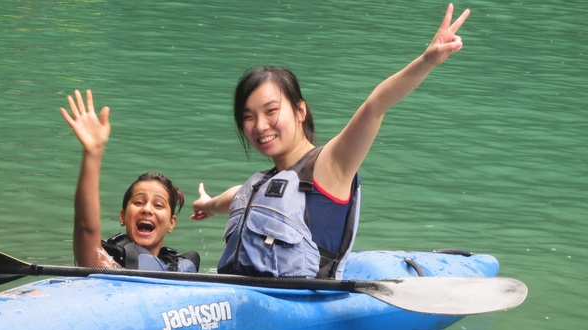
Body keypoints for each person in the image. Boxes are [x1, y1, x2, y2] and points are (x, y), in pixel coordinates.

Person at [192, 4, 470, 279]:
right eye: (249, 116)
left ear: (300, 110)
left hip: (303, 303)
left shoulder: (330, 164)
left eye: (271, 111)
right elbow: (233, 198)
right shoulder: (261, 185)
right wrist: (207, 205)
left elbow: (375, 106)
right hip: (244, 295)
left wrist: (427, 61)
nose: (260, 125)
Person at [60, 89, 199, 272]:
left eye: (158, 205)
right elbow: (85, 227)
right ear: (122, 216)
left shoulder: (177, 268)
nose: (147, 209)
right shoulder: (108, 264)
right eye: (139, 202)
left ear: (171, 223)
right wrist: (93, 152)